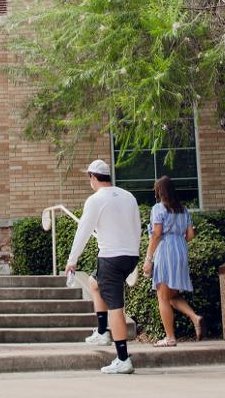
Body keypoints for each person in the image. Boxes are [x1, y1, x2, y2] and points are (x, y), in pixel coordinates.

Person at [65, 159, 141, 374]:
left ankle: (123, 358)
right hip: (129, 256)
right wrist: (133, 254)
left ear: (92, 178)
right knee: (93, 283)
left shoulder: (95, 199)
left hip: (110, 258)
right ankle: (101, 332)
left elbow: (84, 231)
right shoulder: (128, 197)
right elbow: (136, 226)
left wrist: (72, 260)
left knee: (116, 308)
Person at [142, 176, 204, 346]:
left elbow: (156, 234)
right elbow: (190, 235)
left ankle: (170, 338)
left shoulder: (158, 209)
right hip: (181, 249)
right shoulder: (183, 210)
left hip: (165, 249)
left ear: (159, 191)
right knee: (171, 295)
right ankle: (194, 317)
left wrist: (148, 259)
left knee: (162, 295)